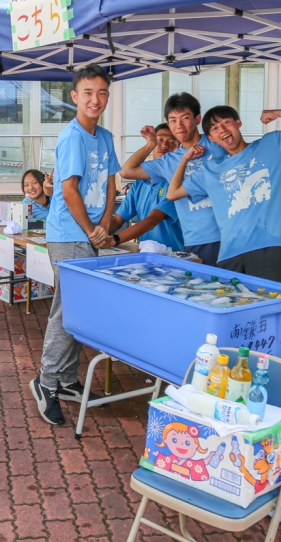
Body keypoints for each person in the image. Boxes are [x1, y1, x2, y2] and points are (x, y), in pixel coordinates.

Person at [30, 64, 119, 427]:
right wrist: (91, 229)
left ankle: (66, 380)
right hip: (68, 234)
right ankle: (46, 382)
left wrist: (105, 225)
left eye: (101, 93)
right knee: (67, 309)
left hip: (90, 233)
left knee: (79, 308)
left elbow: (111, 184)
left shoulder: (105, 136)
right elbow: (68, 191)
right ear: (74, 97)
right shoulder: (71, 137)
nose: (95, 99)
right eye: (87, 93)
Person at [166, 106, 281, 283]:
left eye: (226, 122)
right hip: (228, 254)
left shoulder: (272, 145)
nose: (223, 130)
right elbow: (172, 193)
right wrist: (184, 158)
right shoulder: (211, 170)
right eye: (215, 128)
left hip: (267, 247)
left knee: (269, 300)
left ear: (238, 123)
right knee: (230, 300)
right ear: (211, 138)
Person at [119, 93, 225, 266]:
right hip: (196, 240)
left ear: (197, 119)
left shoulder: (218, 142)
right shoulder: (167, 161)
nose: (179, 125)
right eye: (173, 120)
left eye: (185, 118)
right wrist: (150, 144)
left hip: (230, 234)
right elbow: (126, 171)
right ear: (169, 124)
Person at [104, 123, 184, 251]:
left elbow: (152, 221)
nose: (164, 145)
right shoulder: (139, 183)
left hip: (173, 254)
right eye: (160, 140)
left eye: (172, 142)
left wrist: (114, 240)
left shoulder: (177, 181)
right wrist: (95, 235)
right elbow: (119, 219)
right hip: (147, 254)